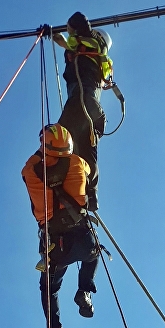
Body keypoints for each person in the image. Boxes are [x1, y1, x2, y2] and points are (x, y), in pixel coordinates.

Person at [22, 123, 99, 328]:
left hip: (56, 246)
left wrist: (43, 152)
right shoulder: (78, 163)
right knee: (93, 255)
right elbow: (92, 173)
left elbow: (32, 167)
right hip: (82, 239)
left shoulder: (31, 170)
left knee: (49, 289)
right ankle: (84, 290)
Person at [52, 11, 113, 211]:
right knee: (86, 153)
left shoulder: (90, 39)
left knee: (56, 141)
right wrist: (59, 38)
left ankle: (56, 185)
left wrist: (70, 27)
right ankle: (90, 194)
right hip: (92, 111)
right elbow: (71, 45)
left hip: (81, 103)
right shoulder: (92, 51)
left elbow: (79, 20)